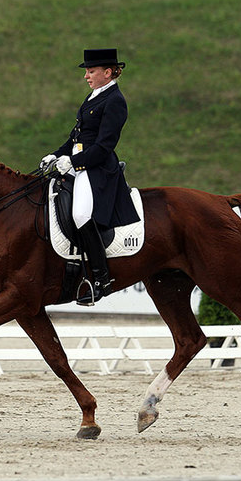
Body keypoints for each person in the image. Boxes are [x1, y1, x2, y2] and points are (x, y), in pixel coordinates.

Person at [39, 48, 140, 306]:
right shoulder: (95, 95)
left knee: (81, 215)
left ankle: (100, 278)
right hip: (79, 164)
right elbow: (77, 137)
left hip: (98, 170)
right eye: (86, 71)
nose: (86, 76)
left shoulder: (115, 100)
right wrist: (56, 154)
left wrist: (72, 161)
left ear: (108, 72)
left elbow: (104, 146)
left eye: (91, 71)